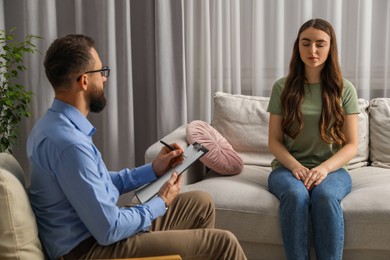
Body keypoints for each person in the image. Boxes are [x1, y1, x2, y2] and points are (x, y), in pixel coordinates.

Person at [27, 34, 247, 260]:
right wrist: (161, 202)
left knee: (201, 204)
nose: (105, 79)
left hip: (95, 234)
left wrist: (154, 170)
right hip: (90, 250)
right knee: (223, 243)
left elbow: (96, 183)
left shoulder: (51, 126)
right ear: (84, 81)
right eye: (102, 72)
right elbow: (109, 229)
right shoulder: (69, 144)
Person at [267, 18, 359, 260]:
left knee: (326, 196)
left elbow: (352, 145)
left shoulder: (344, 88)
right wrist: (296, 167)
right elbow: (274, 141)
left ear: (331, 47)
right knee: (296, 195)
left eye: (320, 44)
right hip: (287, 169)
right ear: (298, 46)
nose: (313, 51)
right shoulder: (282, 87)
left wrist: (324, 169)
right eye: (305, 43)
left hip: (333, 170)